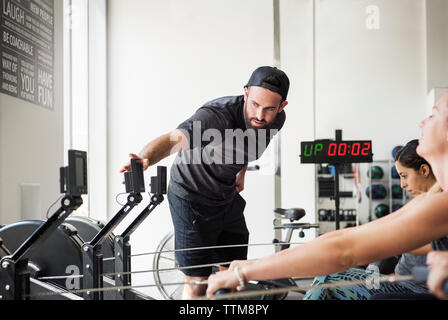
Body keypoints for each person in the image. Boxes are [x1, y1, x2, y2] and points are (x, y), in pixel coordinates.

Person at [206, 93, 448, 299]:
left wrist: (245, 272)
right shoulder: (434, 199)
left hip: (410, 289)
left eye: (434, 115)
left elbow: (344, 249)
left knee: (328, 278)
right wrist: (250, 265)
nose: (422, 122)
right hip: (404, 282)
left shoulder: (442, 203)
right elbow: (346, 238)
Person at [120, 66, 290, 299]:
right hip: (191, 196)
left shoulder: (276, 121)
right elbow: (174, 139)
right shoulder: (215, 116)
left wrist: (241, 173)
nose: (260, 115)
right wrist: (146, 156)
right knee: (197, 281)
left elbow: (249, 147)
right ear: (246, 94)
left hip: (225, 196)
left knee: (233, 274)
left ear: (282, 107)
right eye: (255, 105)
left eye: (269, 109)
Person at [303, 139, 441, 300]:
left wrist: (387, 243)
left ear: (424, 170)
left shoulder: (439, 205)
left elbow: (432, 246)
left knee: (326, 279)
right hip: (395, 281)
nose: (402, 184)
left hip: (412, 290)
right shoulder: (419, 202)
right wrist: (378, 265)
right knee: (326, 276)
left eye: (405, 176)